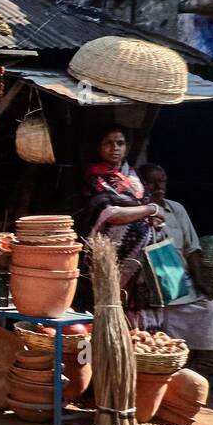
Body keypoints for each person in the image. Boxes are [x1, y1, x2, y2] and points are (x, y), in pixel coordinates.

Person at [76, 126, 165, 329]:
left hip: (140, 261)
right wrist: (150, 210)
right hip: (108, 256)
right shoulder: (93, 177)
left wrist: (154, 218)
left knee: (130, 315)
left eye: (120, 143)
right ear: (98, 147)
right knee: (105, 306)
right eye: (108, 143)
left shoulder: (133, 177)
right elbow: (109, 214)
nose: (114, 148)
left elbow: (155, 213)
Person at [137, 163, 213, 350]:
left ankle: (193, 361)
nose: (159, 187)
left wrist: (200, 281)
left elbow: (192, 248)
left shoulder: (176, 209)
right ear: (141, 184)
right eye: (152, 183)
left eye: (162, 182)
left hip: (180, 283)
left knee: (210, 309)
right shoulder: (136, 213)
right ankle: (170, 356)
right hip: (151, 288)